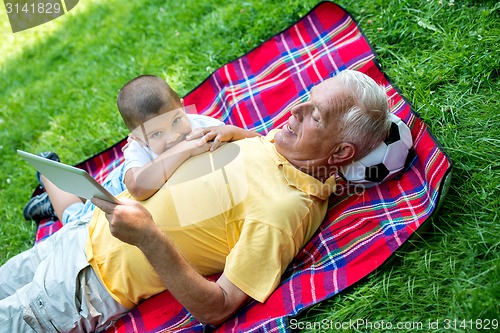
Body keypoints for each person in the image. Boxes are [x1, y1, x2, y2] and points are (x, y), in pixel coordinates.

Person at [0, 70, 392, 332]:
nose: (294, 110)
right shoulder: (275, 142)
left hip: (88, 285)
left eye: (315, 117)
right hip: (84, 230)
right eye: (305, 99)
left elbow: (218, 307)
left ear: (340, 154)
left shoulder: (285, 210)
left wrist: (149, 237)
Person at [23, 75, 258, 224]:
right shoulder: (138, 149)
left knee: (85, 187)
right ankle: (49, 176)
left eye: (176, 121)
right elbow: (137, 188)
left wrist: (233, 132)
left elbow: (256, 141)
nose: (173, 136)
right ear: (137, 138)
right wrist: (184, 149)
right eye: (156, 134)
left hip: (139, 179)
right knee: (75, 216)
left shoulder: (201, 126)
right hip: (122, 187)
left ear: (183, 107)